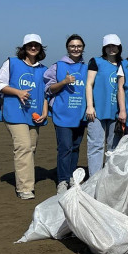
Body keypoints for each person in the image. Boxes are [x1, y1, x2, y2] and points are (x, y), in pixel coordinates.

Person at [0, 34, 48, 199]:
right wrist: (17, 92)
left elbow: (46, 94)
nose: (33, 48)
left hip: (34, 114)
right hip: (15, 112)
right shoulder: (11, 62)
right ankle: (24, 188)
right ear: (23, 47)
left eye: (36, 45)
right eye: (30, 45)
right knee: (23, 147)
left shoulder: (44, 69)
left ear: (40, 48)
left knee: (31, 148)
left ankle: (26, 181)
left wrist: (45, 113)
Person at [44, 34, 88, 194]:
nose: (76, 49)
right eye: (72, 46)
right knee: (65, 148)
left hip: (80, 114)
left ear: (83, 48)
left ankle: (71, 177)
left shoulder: (87, 67)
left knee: (76, 147)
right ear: (67, 48)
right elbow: (48, 89)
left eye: (79, 46)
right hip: (62, 114)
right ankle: (62, 180)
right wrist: (63, 82)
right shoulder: (58, 66)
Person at [85, 34, 122, 175]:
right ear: (104, 47)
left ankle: (109, 176)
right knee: (96, 145)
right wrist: (90, 106)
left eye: (114, 46)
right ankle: (95, 178)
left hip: (116, 111)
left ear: (119, 47)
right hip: (97, 110)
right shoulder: (96, 61)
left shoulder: (122, 65)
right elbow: (89, 83)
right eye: (108, 46)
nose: (111, 49)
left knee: (114, 146)